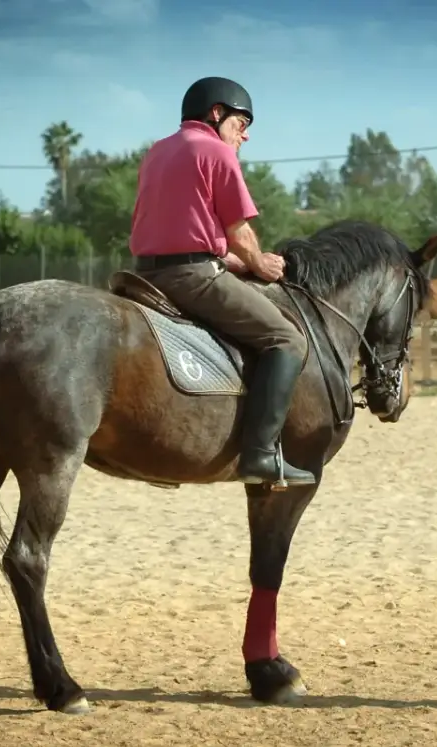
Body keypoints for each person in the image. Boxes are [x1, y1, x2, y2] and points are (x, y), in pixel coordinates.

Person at [128, 77, 313, 488]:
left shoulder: (157, 152)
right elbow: (240, 233)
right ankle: (262, 455)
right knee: (287, 339)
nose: (244, 135)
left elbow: (184, 234)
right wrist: (260, 263)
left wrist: (233, 262)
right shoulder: (216, 151)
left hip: (146, 273)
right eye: (241, 122)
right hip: (192, 278)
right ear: (216, 113)